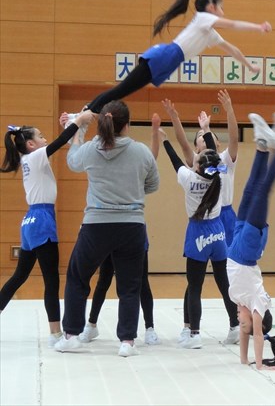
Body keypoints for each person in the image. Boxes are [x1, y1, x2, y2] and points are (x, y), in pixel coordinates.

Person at [54, 100, 159, 357]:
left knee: (78, 277)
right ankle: (127, 342)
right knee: (130, 285)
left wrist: (76, 130)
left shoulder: (90, 149)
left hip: (96, 226)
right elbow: (153, 185)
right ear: (128, 124)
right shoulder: (142, 151)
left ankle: (71, 335)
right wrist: (132, 189)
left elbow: (72, 162)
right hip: (132, 226)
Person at [80, 0, 271, 115]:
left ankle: (88, 111)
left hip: (169, 61)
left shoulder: (208, 31)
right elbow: (232, 24)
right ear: (211, 7)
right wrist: (258, 27)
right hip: (165, 56)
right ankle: (87, 111)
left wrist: (249, 66)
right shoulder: (204, 18)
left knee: (122, 92)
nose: (223, 12)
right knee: (120, 91)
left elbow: (233, 50)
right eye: (221, 7)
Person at [0, 112, 94, 347]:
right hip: (41, 218)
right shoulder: (33, 158)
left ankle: (54, 332)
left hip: (31, 220)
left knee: (20, 276)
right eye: (40, 137)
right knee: (51, 280)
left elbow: (56, 142)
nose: (44, 139)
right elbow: (60, 142)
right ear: (31, 144)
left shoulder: (28, 161)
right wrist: (78, 122)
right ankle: (55, 333)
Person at [76, 115, 164, 346]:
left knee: (138, 282)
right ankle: (98, 328)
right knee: (113, 280)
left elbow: (151, 161)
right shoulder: (135, 150)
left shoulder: (98, 150)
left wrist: (77, 128)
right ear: (126, 125)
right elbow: (153, 178)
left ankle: (149, 327)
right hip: (127, 225)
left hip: (110, 224)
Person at [162, 93, 240, 343]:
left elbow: (177, 159)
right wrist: (177, 120)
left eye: (206, 138)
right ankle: (193, 326)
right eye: (199, 139)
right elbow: (182, 141)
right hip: (217, 224)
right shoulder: (211, 168)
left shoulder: (221, 161)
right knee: (214, 280)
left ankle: (198, 330)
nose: (202, 140)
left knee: (202, 280)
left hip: (215, 221)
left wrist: (222, 116)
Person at [226, 112, 275, 369]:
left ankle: (262, 146)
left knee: (249, 189)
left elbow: (246, 335)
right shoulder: (258, 303)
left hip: (237, 244)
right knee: (262, 192)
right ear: (258, 318)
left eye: (240, 323)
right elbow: (256, 334)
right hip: (248, 250)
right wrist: (259, 364)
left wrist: (244, 360)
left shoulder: (239, 301)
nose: (238, 320)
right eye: (243, 321)